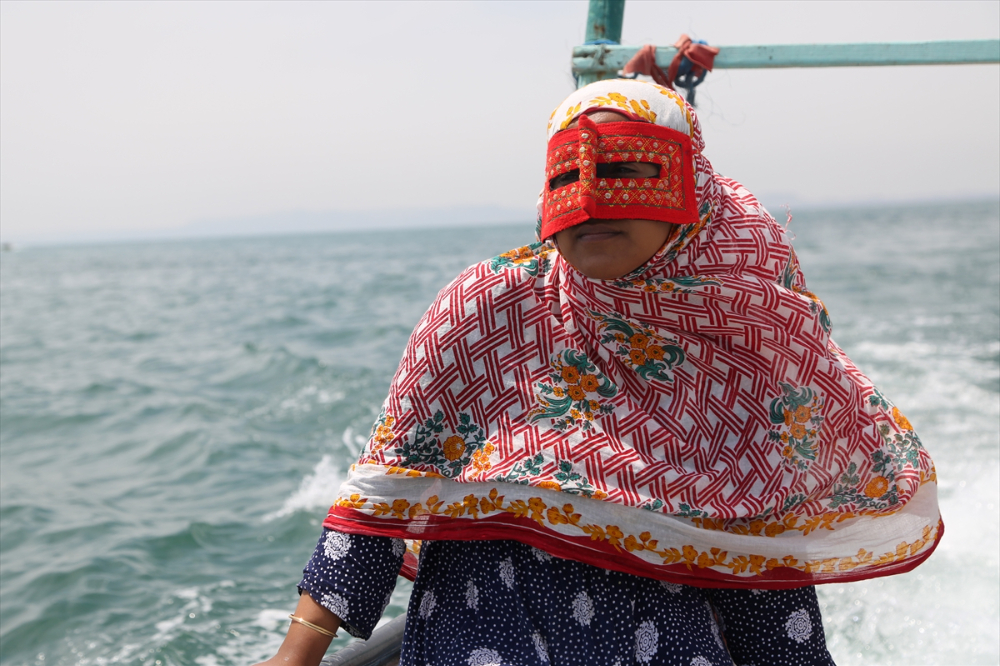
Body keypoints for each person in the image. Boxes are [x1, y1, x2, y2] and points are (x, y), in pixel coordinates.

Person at [256, 80, 941, 666]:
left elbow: (759, 554)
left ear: (690, 187)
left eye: (626, 169)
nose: (589, 197)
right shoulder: (484, 307)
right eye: (565, 176)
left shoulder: (739, 337)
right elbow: (384, 491)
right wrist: (297, 653)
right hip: (480, 640)